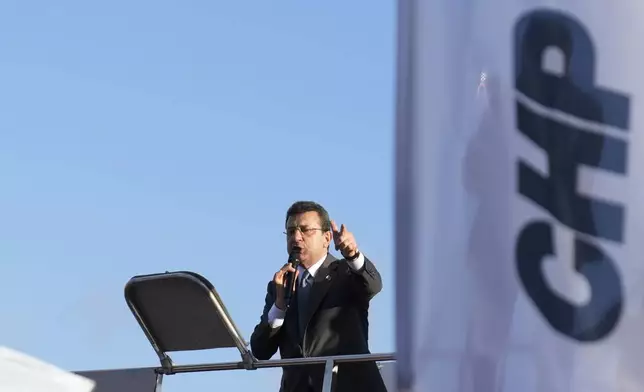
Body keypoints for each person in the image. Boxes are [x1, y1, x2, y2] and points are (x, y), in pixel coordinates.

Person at [250, 201, 387, 392]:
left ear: (327, 237)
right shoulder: (279, 286)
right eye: (290, 232)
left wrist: (353, 255)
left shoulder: (345, 273)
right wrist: (279, 306)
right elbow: (260, 350)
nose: (296, 238)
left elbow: (373, 284)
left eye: (305, 230)